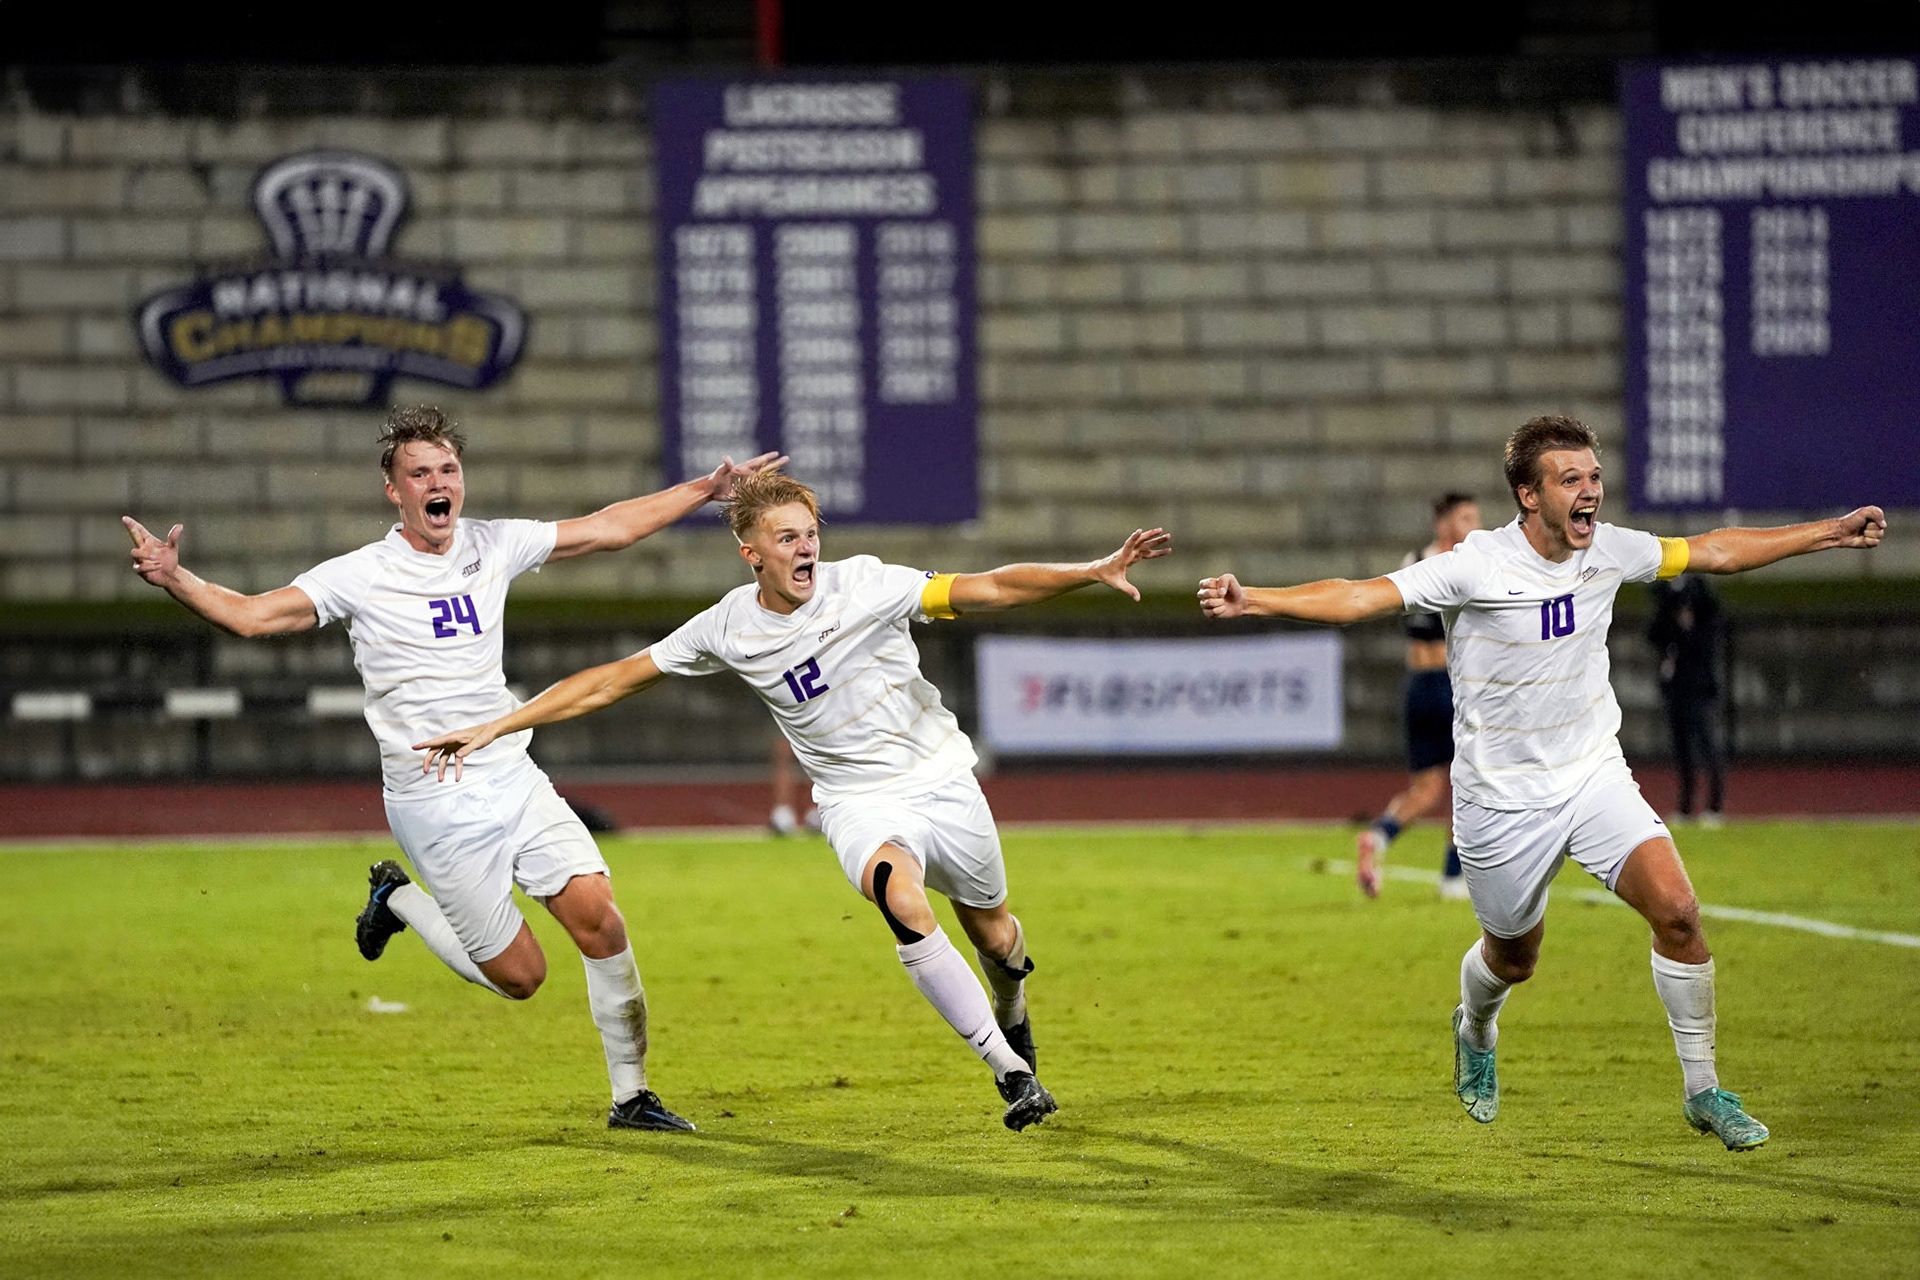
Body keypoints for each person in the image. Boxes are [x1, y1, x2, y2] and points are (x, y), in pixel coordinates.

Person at [1197, 415, 1884, 1151]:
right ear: (1529, 495)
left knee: (1680, 913)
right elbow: (1362, 595)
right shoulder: (1476, 565)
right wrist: (1257, 598)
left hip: (1592, 774)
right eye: (1570, 480)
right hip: (1500, 801)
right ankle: (1476, 1025)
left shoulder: (1613, 548)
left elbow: (1714, 550)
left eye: (1593, 477)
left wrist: (1828, 532)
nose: (1590, 492)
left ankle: (1703, 1089)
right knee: (1514, 958)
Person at [416, 469, 1172, 1132]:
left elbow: (990, 587)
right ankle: (1009, 1070)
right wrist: (500, 723)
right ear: (752, 553)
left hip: (942, 779)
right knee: (898, 895)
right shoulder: (727, 628)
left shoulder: (869, 584)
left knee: (997, 936)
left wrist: (1090, 570)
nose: (806, 547)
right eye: (786, 537)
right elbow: (614, 677)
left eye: (810, 533)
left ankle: (1012, 1012)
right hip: (856, 803)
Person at [122, 404, 781, 1133]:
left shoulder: (492, 544)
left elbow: (609, 526)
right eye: (419, 474)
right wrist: (176, 580)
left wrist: (706, 489)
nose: (438, 484)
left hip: (510, 771)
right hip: (434, 800)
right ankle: (397, 898)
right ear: (394, 492)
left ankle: (632, 1096)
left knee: (600, 918)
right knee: (522, 978)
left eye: (447, 470)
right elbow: (251, 616)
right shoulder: (362, 575)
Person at [1355, 492, 1482, 900]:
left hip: (1416, 685)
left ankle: (1379, 837)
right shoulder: (1464, 567)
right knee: (1468, 784)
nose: (1475, 525)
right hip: (1451, 686)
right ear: (1444, 523)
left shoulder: (1411, 563)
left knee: (1426, 789)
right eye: (1466, 517)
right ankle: (1451, 876)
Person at [1649, 574, 1726, 826]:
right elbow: (1653, 635)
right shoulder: (1669, 622)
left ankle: (1714, 807)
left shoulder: (1706, 620)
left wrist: (1687, 626)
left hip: (1700, 690)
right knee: (1683, 751)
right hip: (1677, 690)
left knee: (1707, 746)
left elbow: (1704, 645)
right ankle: (1685, 807)